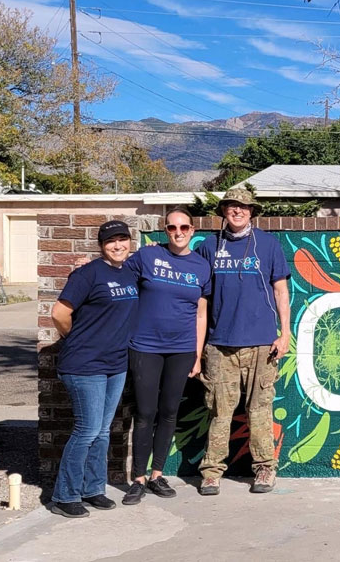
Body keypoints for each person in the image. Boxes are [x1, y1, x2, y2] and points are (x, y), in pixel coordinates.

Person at [195, 186, 290, 495]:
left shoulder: (268, 244)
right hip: (220, 344)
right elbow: (201, 301)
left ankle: (265, 469)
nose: (237, 211)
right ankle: (211, 472)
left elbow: (280, 291)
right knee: (219, 412)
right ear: (223, 210)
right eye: (232, 206)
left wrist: (285, 333)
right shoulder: (209, 247)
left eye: (244, 207)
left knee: (260, 410)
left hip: (262, 344)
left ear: (252, 212)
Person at [121, 207, 211, 505]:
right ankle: (138, 478)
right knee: (145, 413)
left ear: (193, 230)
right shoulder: (148, 256)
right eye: (172, 228)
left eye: (184, 227)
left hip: (182, 349)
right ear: (165, 230)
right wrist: (85, 267)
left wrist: (197, 356)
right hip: (145, 347)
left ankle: (157, 474)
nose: (179, 232)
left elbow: (201, 314)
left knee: (169, 412)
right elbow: (117, 273)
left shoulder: (201, 267)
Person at [50, 220, 139, 518]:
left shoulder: (129, 271)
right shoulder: (87, 273)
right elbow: (60, 312)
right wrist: (72, 336)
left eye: (122, 239)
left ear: (130, 241)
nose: (118, 245)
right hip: (84, 364)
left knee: (102, 431)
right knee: (87, 430)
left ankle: (93, 489)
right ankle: (65, 495)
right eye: (111, 241)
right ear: (101, 245)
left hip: (116, 364)